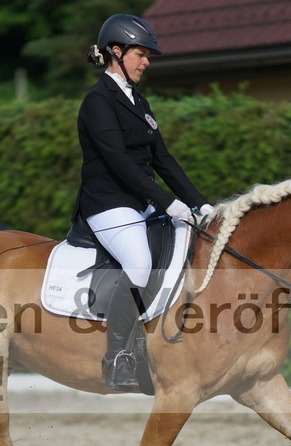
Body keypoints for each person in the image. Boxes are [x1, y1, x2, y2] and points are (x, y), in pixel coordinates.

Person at [74, 13, 212, 391]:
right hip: (108, 203)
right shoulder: (97, 102)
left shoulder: (139, 101)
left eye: (148, 56)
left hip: (141, 201)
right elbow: (117, 161)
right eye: (140, 54)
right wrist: (168, 203)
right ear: (115, 53)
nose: (146, 62)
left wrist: (201, 205)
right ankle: (117, 356)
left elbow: (163, 160)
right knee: (139, 265)